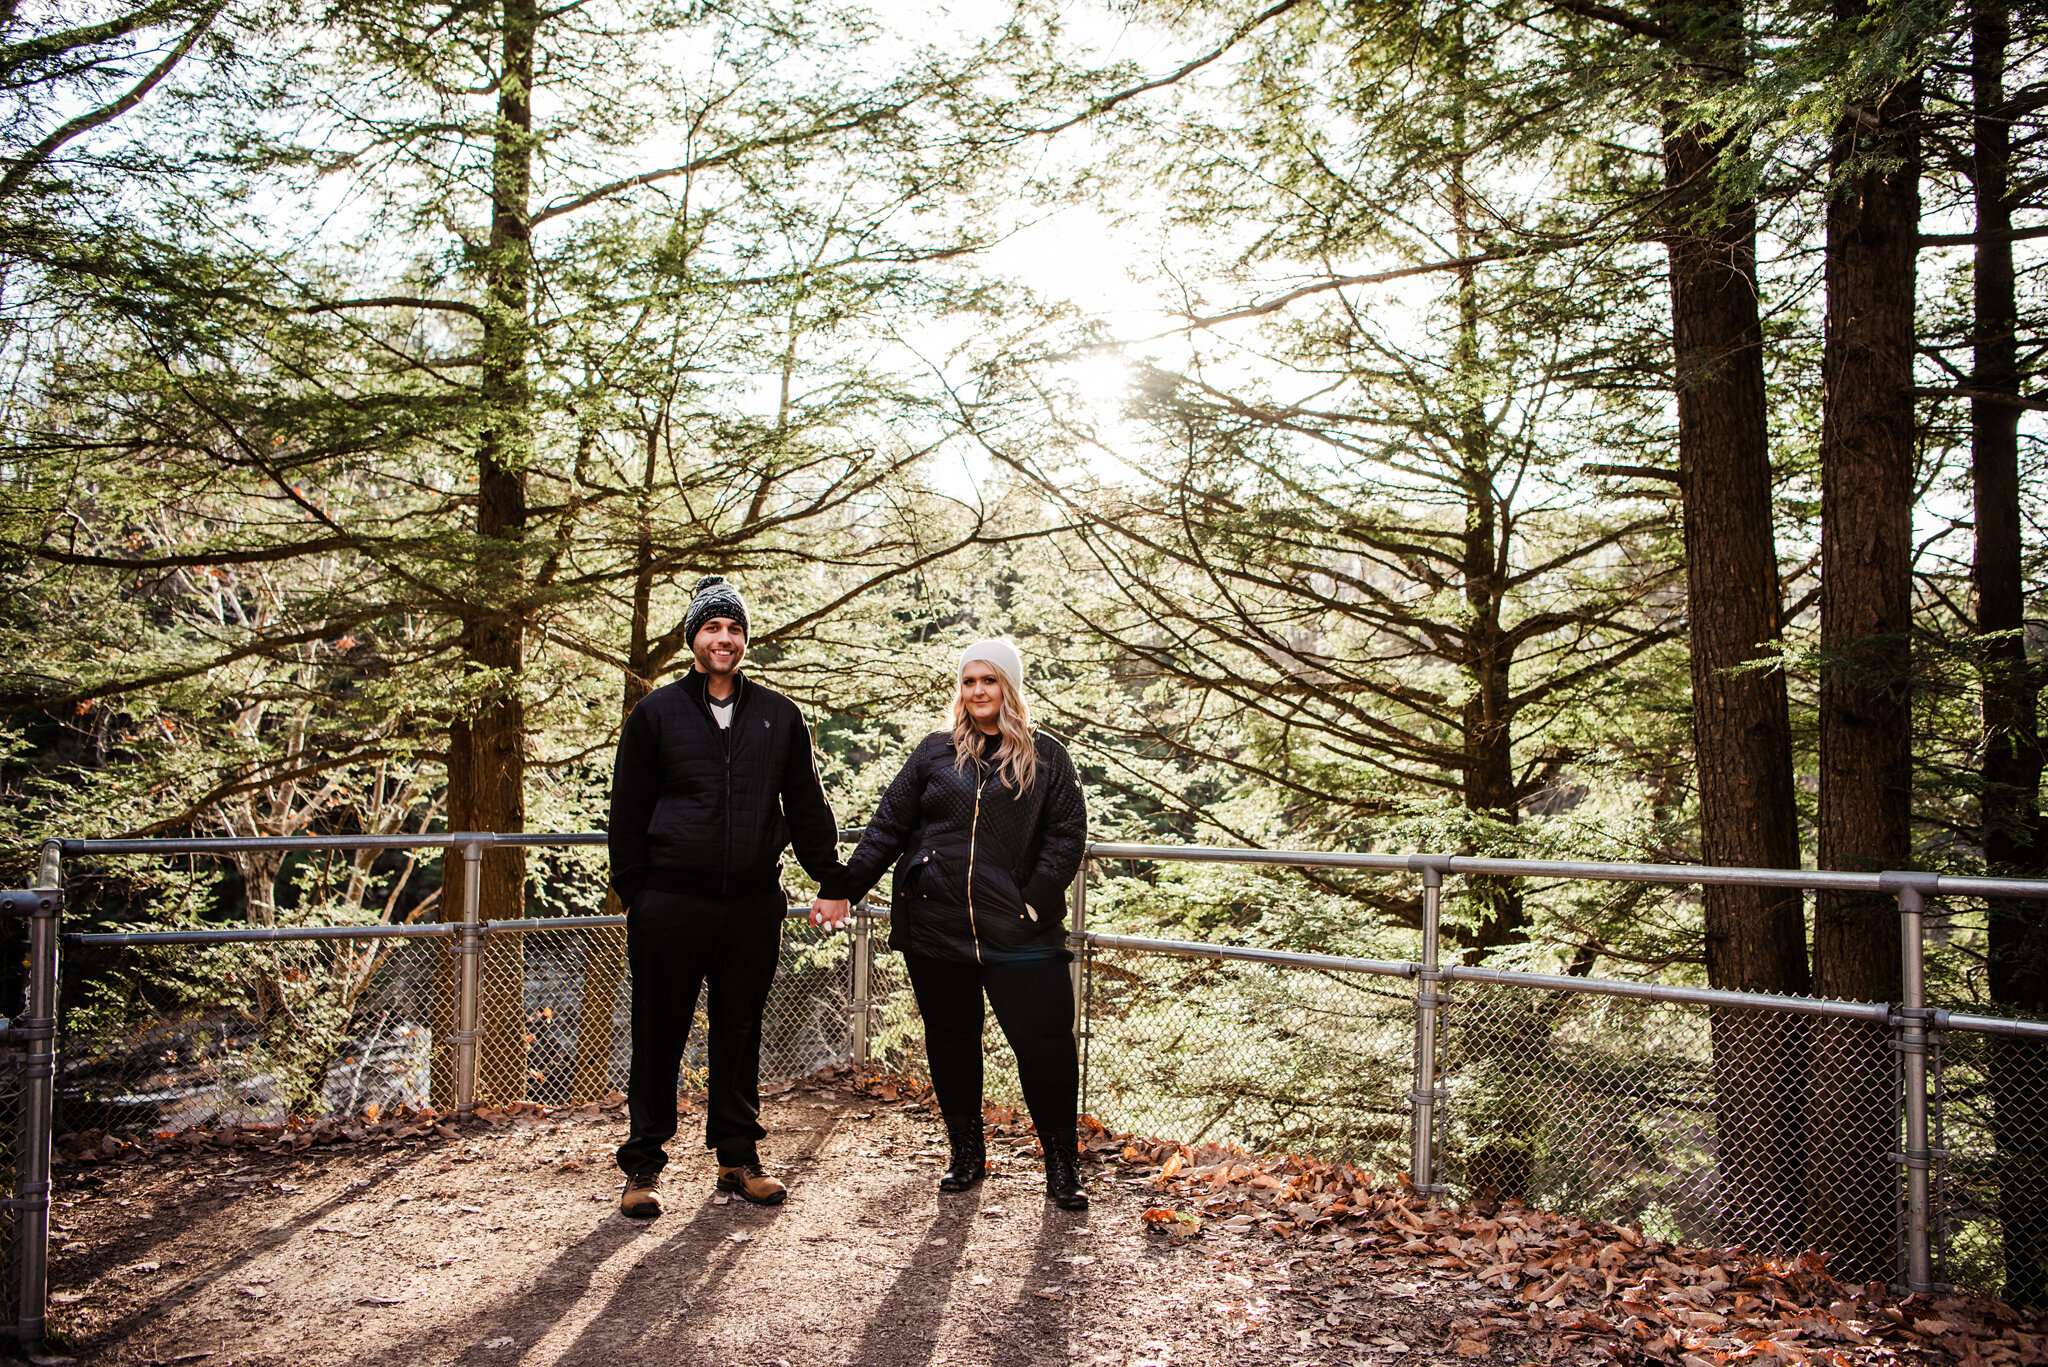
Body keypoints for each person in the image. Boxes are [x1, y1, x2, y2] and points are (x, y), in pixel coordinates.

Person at [815, 639, 1090, 1209]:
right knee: (952, 1042)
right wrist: (843, 889)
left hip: (1019, 934)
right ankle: (966, 1152)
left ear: (1009, 687)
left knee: (1044, 1046)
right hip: (936, 929)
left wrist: (1033, 900)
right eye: (969, 682)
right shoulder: (936, 754)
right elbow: (888, 826)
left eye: (989, 681)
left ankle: (1061, 1164)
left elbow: (1066, 836)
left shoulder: (1046, 757)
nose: (978, 692)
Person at [607, 574, 848, 1218]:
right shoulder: (656, 714)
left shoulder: (778, 715)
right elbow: (626, 809)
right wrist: (637, 892)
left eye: (734, 628)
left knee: (739, 1032)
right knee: (658, 1033)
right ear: (693, 639)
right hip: (669, 903)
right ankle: (643, 1168)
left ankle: (738, 1161)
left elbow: (805, 805)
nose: (725, 639)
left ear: (745, 640)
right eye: (712, 628)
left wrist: (832, 880)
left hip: (749, 903)